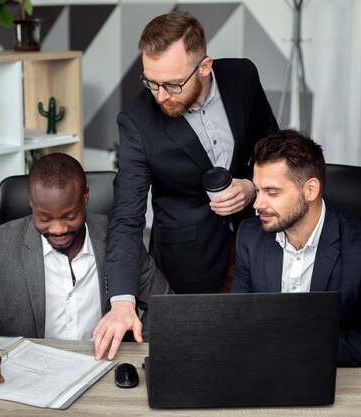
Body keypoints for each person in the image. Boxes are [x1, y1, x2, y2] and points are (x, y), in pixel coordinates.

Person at [94, 10, 278, 360]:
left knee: (256, 352)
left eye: (172, 84)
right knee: (199, 359)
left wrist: (254, 186)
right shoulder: (136, 122)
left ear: (205, 66)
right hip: (187, 263)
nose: (160, 96)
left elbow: (273, 145)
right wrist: (121, 301)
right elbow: (126, 218)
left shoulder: (243, 76)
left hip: (258, 243)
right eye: (151, 81)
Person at [0, 153, 171, 390]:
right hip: (26, 380)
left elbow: (164, 305)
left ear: (85, 198)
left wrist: (138, 349)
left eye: (70, 216)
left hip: (107, 374)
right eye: (44, 218)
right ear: (31, 203)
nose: (59, 229)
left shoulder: (119, 240)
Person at [231, 130, 361, 368]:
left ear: (311, 190)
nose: (257, 204)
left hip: (333, 376)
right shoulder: (249, 237)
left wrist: (304, 344)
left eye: (272, 193)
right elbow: (237, 322)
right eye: (257, 191)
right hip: (265, 372)